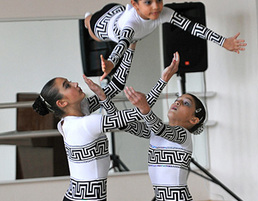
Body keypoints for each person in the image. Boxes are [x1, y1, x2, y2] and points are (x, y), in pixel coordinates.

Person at [32, 47, 180, 200]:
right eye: (67, 85)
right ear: (62, 102)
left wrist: (131, 46)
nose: (75, 83)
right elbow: (140, 110)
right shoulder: (85, 124)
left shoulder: (78, 113)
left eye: (69, 81)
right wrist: (163, 80)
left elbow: (116, 85)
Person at [84, 0, 247, 80]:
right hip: (103, 24)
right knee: (88, 24)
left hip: (119, 9)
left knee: (134, 38)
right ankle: (87, 17)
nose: (156, 7)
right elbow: (122, 43)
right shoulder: (130, 25)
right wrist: (112, 62)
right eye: (148, 2)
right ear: (135, 4)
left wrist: (223, 41)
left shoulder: (163, 12)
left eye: (159, 0)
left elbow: (191, 26)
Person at [123, 88, 206, 201]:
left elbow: (159, 128)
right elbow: (123, 124)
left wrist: (145, 108)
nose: (177, 102)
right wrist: (104, 99)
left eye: (186, 103)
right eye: (177, 99)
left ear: (193, 120)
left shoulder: (184, 135)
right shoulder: (155, 132)